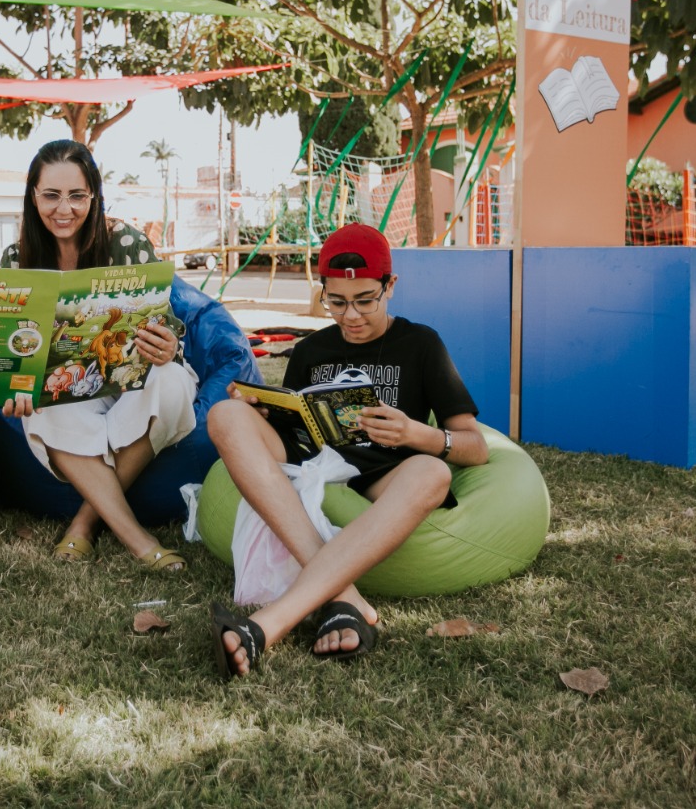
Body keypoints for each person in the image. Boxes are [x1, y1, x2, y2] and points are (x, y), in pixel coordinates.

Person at [206, 222, 488, 679]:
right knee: (224, 415)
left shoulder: (421, 344)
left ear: (390, 286)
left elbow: (475, 446)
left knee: (433, 475)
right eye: (336, 302)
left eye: (364, 301)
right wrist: (260, 409)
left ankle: (267, 625)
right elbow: (289, 422)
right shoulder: (313, 349)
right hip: (314, 457)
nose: (351, 316)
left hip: (385, 471)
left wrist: (417, 434)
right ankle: (345, 596)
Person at [0, 139, 194, 572]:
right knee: (40, 407)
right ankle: (140, 541)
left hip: (132, 381)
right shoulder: (16, 260)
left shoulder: (125, 242)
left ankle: (84, 523)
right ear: (33, 196)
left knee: (175, 381)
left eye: (77, 195)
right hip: (69, 391)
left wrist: (168, 344)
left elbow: (168, 323)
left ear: (94, 196)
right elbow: (12, 352)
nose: (63, 208)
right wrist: (15, 385)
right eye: (51, 195)